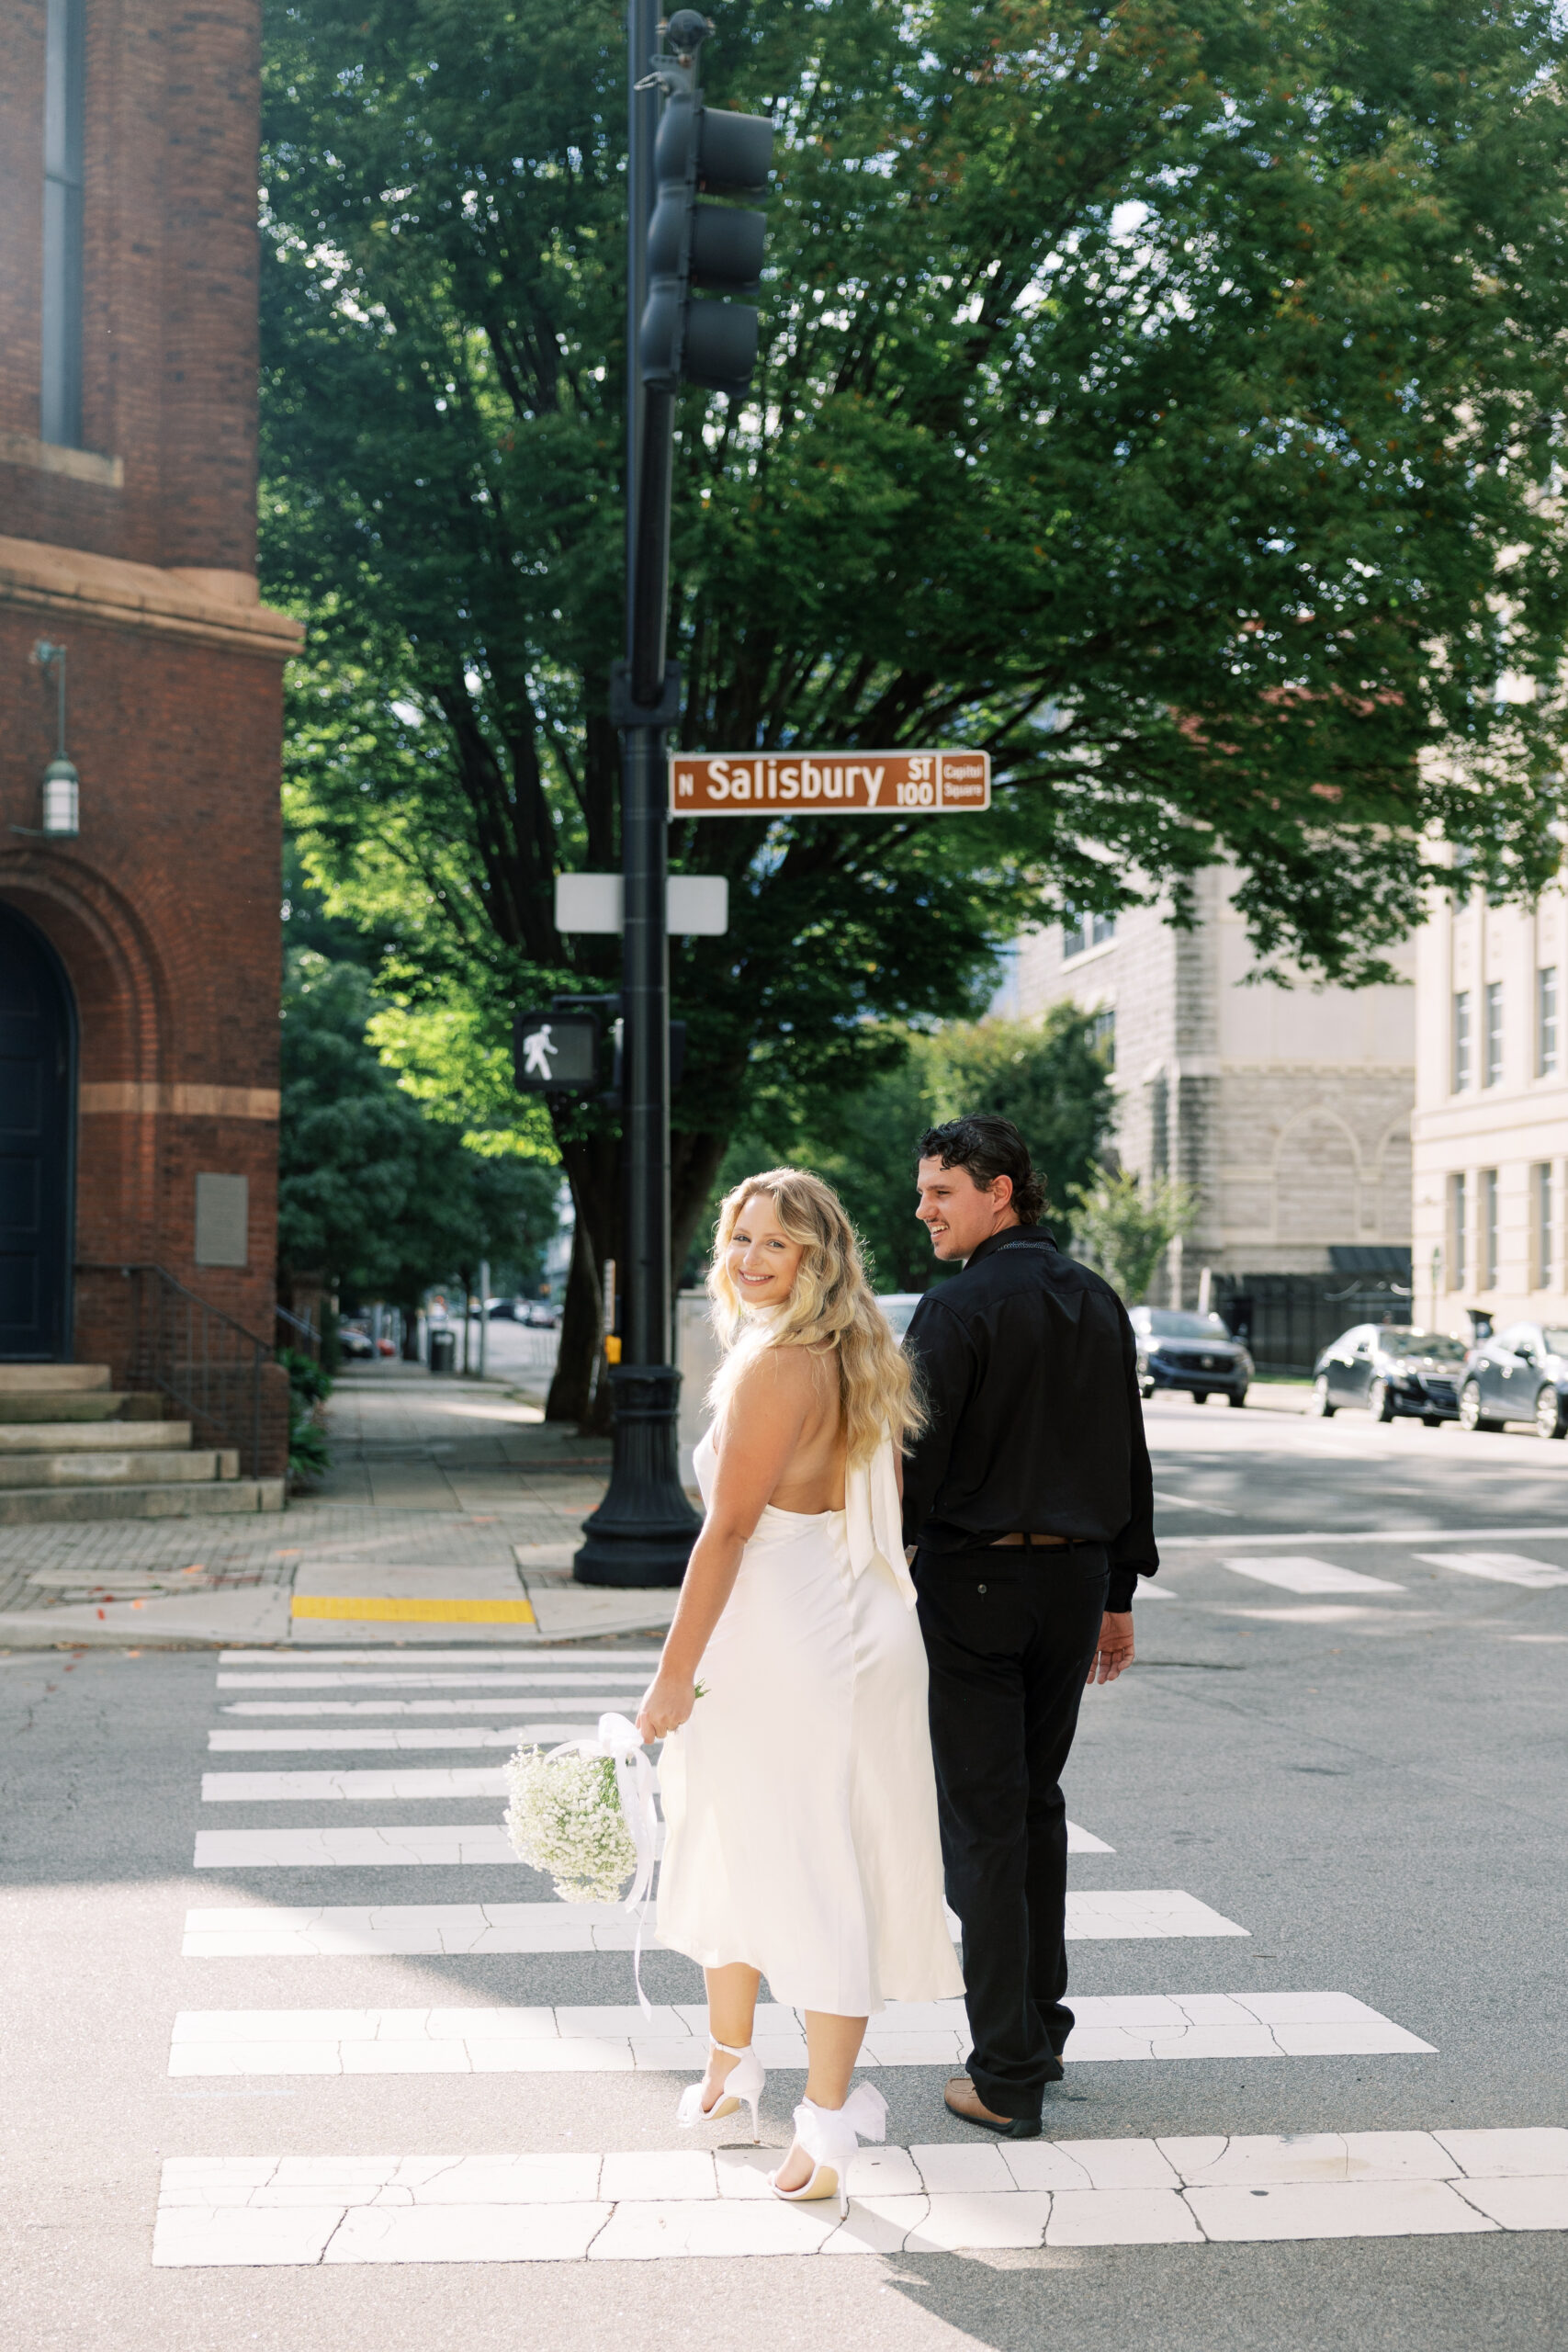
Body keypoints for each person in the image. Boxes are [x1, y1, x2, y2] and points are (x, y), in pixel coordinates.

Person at [637, 1168, 963, 2213]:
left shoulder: (773, 1366)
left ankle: (827, 2121)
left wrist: (670, 1674)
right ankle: (731, 2071)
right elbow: (881, 1509)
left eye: (775, 1242)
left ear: (816, 1257)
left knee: (801, 1862)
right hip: (850, 1621)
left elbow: (726, 1530)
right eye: (739, 1237)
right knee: (749, 1843)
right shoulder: (859, 1353)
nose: (749, 1257)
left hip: (783, 1636)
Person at [901, 1114, 1156, 2140]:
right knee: (1033, 1803)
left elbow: (913, 1460)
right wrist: (1121, 1593)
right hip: (1074, 1581)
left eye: (941, 1193)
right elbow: (1128, 1450)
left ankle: (1006, 2071)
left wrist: (882, 1572)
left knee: (983, 1821)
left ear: (1000, 1191)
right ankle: (1038, 2030)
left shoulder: (956, 1306)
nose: (923, 1210)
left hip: (973, 1583)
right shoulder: (1096, 1298)